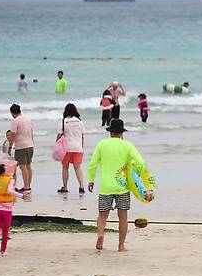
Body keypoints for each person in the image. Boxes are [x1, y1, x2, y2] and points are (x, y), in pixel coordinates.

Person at [88, 119, 148, 252]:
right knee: (123, 217)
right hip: (123, 187)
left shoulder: (101, 144)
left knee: (102, 215)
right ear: (121, 133)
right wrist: (138, 175)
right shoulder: (127, 145)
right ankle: (121, 246)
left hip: (106, 187)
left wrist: (91, 180)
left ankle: (101, 234)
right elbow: (141, 163)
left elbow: (93, 164)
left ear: (110, 132)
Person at [0, 164, 28, 256]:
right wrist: (21, 196)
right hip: (7, 209)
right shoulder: (10, 179)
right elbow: (10, 191)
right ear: (4, 171)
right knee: (5, 231)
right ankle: (3, 251)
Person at [56, 103, 85, 194]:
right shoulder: (79, 121)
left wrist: (56, 144)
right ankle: (81, 187)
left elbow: (59, 135)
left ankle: (65, 187)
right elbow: (82, 135)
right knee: (77, 167)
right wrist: (81, 146)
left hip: (67, 148)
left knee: (65, 167)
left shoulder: (63, 121)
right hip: (78, 148)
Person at [9, 104, 34, 192]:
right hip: (30, 145)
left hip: (21, 146)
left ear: (12, 113)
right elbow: (31, 132)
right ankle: (28, 186)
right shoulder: (28, 119)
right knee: (28, 166)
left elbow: (13, 134)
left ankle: (26, 187)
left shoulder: (15, 121)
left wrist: (10, 146)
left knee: (23, 167)